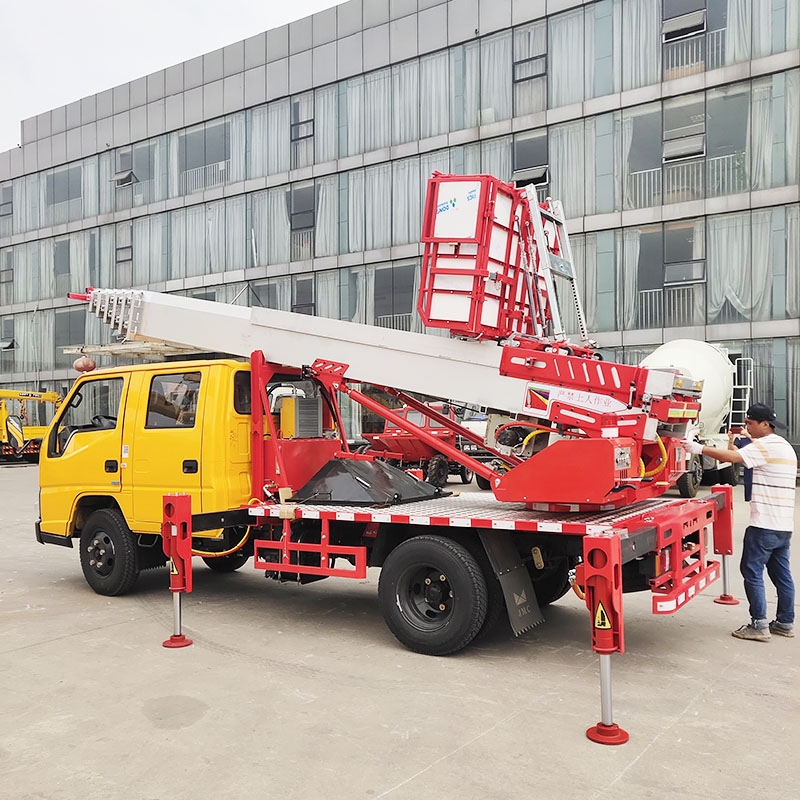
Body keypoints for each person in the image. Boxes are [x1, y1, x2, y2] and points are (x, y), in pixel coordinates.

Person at [682, 403, 796, 642]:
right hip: (784, 526)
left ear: (765, 425)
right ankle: (785, 622)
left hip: (764, 524)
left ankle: (759, 625)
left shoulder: (766, 445)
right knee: (782, 575)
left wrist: (699, 448)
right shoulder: (784, 446)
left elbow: (733, 457)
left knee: (751, 572)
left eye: (750, 423)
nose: (747, 427)